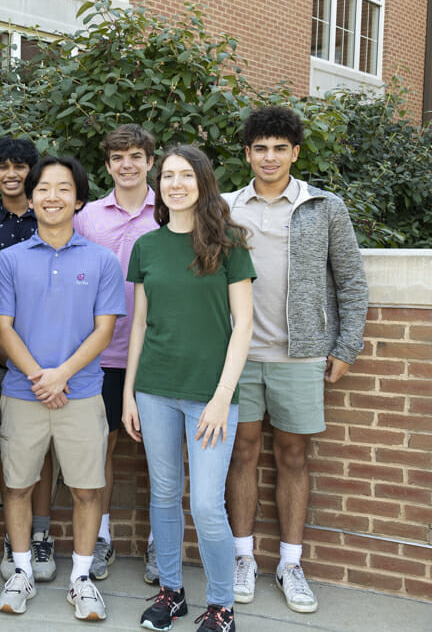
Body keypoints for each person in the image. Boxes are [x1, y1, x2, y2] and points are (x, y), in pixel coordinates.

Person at [223, 106, 368, 614]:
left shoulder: (323, 206)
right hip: (236, 358)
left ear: (296, 153)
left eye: (280, 148)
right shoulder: (224, 208)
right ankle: (243, 557)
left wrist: (346, 347)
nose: (270, 157)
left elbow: (350, 280)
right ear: (247, 154)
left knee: (293, 457)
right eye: (260, 148)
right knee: (239, 455)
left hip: (300, 356)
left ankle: (289, 562)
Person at [122, 144, 255, 632]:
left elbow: (243, 327)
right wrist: (128, 395)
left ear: (203, 183)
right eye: (168, 176)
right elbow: (139, 325)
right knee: (163, 494)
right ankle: (172, 593)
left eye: (186, 175)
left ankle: (222, 604)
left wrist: (222, 397)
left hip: (210, 395)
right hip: (154, 388)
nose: (175, 184)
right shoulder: (147, 247)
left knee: (205, 504)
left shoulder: (230, 244)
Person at [0, 156, 125, 623]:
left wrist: (61, 374)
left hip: (83, 393)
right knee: (19, 485)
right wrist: (40, 378)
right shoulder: (8, 260)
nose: (52, 196)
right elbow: (2, 328)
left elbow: (104, 331)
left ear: (79, 200)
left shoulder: (102, 260)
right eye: (43, 188)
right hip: (23, 392)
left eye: (63, 188)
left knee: (88, 490)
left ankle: (81, 579)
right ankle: (23, 571)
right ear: (30, 200)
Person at [73, 124, 160, 584]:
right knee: (100, 446)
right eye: (117, 157)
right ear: (107, 165)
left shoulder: (167, 212)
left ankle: (158, 544)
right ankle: (102, 536)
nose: (127, 164)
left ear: (150, 160)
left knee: (159, 452)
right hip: (101, 355)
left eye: (136, 155)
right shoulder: (87, 217)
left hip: (156, 353)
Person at [0, 137, 58, 582]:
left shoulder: (52, 219)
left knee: (42, 451)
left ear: (31, 172)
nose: (11, 173)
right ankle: (15, 534)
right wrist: (5, 355)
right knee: (13, 450)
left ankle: (40, 535)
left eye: (20, 165)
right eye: (1, 166)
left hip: (52, 361)